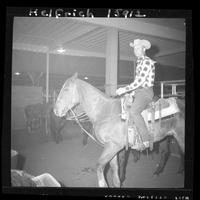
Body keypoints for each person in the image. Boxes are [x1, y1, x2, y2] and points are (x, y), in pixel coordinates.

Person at [116, 39, 156, 151]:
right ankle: (131, 136)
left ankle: (145, 139)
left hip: (146, 92)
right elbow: (138, 84)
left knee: (134, 111)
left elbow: (140, 81)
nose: (136, 51)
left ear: (144, 49)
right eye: (134, 48)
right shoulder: (139, 62)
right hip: (139, 92)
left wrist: (124, 89)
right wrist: (131, 93)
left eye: (138, 48)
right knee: (124, 107)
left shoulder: (147, 61)